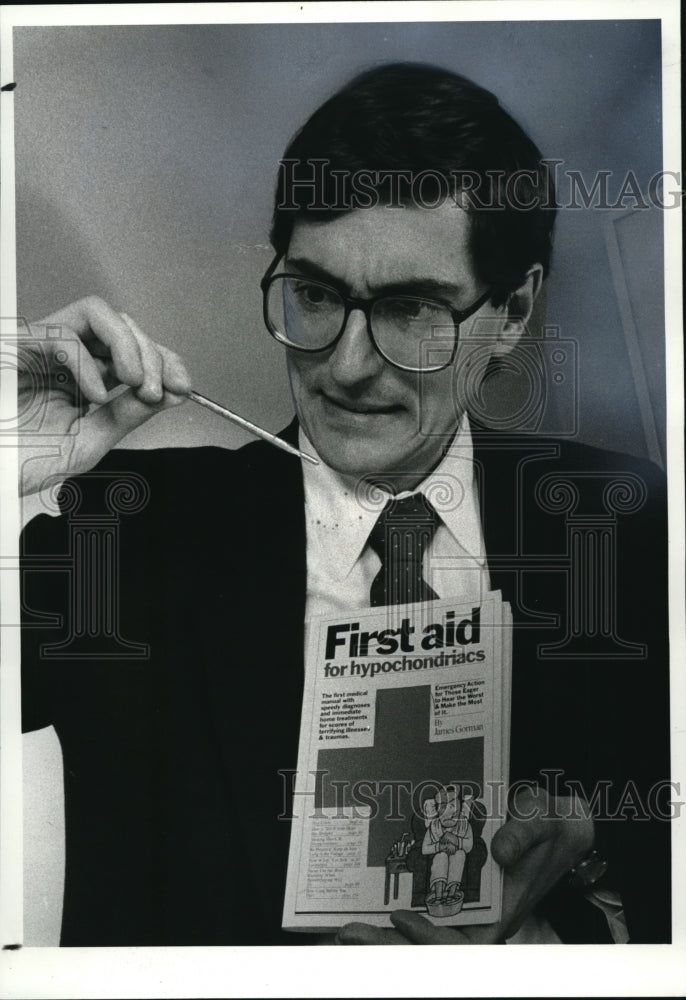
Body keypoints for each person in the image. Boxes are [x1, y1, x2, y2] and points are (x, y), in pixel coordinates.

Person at [18, 63, 670, 946]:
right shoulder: (129, 533)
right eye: (317, 295)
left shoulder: (632, 528)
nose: (349, 365)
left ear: (513, 310)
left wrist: (587, 881)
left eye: (410, 310)